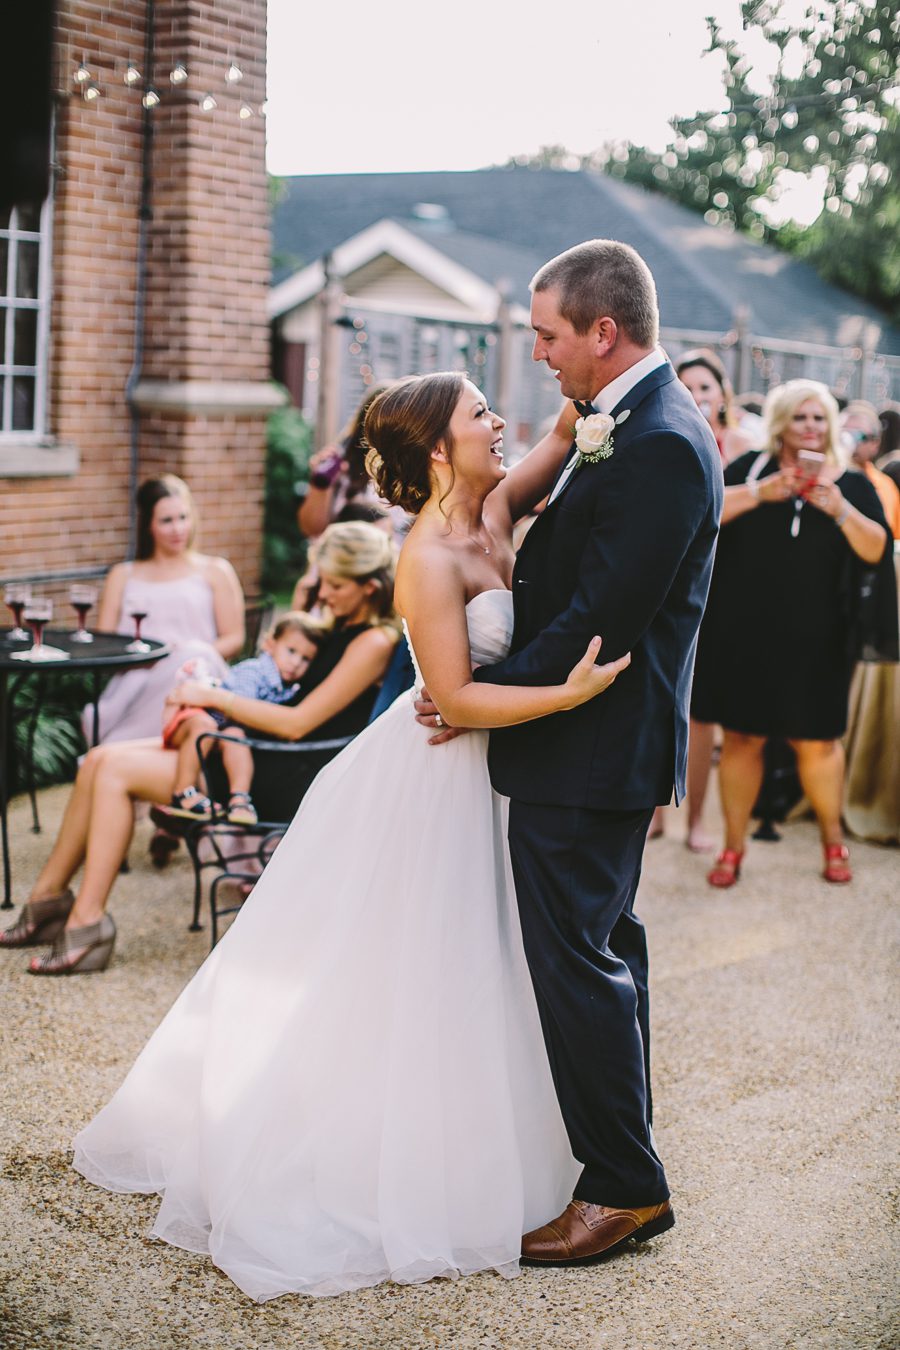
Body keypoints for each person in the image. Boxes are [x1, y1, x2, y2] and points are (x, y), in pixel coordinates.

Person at [62, 371, 630, 1301]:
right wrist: (564, 697)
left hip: (499, 777)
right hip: (436, 779)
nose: (499, 421)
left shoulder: (497, 504)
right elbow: (454, 699)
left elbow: (569, 430)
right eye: (480, 413)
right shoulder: (426, 558)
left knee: (503, 959)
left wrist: (597, 368)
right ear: (439, 449)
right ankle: (397, 1159)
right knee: (424, 968)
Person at [416, 239, 722, 1268]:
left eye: (548, 335)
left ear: (603, 330)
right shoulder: (625, 421)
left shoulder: (660, 441)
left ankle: (624, 1187)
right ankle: (622, 1158)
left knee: (579, 962)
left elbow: (600, 619)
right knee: (607, 952)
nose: (539, 353)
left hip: (588, 744)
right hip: (590, 744)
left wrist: (478, 698)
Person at [0, 523, 400, 976]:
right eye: (321, 581)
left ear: (370, 588)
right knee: (98, 759)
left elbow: (297, 724)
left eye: (335, 584)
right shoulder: (335, 624)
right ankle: (47, 900)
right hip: (251, 746)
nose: (323, 593)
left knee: (114, 772)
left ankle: (87, 923)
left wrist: (212, 697)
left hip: (284, 770)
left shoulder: (373, 642)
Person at [690, 380, 895, 889]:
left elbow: (876, 549)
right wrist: (762, 493)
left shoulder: (852, 482)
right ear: (782, 423)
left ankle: (832, 839)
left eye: (819, 417)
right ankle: (733, 847)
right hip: (744, 632)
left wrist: (839, 509)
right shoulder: (750, 469)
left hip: (819, 637)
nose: (810, 427)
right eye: (801, 417)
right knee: (742, 737)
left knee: (817, 741)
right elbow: (703, 513)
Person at [86, 476, 245, 745]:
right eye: (166, 521)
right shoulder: (122, 575)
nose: (178, 529)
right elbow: (105, 641)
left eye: (183, 517)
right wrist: (152, 658)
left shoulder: (216, 571)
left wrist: (183, 656)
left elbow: (235, 638)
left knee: (192, 657)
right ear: (148, 524)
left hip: (195, 677)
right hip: (136, 680)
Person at [163, 612, 328, 827]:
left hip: (225, 730)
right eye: (291, 651)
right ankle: (183, 793)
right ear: (270, 644)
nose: (296, 662)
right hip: (198, 719)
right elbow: (238, 710)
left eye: (305, 659)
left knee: (235, 737)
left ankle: (240, 799)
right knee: (206, 726)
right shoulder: (254, 672)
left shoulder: (288, 686)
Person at [676, 348, 756, 464]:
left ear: (722, 393)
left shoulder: (741, 442)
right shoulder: (671, 441)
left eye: (705, 388)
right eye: (687, 389)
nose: (697, 397)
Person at [839, 400, 900, 539]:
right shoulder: (823, 479)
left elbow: (891, 538)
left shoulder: (884, 485)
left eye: (859, 436)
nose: (849, 441)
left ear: (875, 443)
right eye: (843, 434)